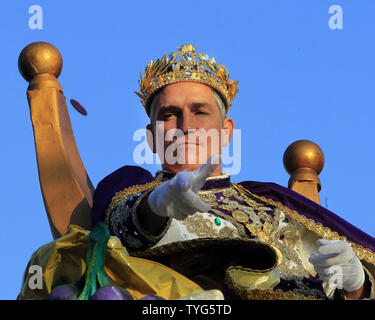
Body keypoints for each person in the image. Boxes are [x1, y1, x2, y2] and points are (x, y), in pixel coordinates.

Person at [89, 44, 375, 300]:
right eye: (169, 115)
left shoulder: (273, 203)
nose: (185, 126)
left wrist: (357, 286)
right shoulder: (134, 190)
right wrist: (154, 206)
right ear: (151, 138)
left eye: (199, 112)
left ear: (226, 132)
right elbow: (117, 232)